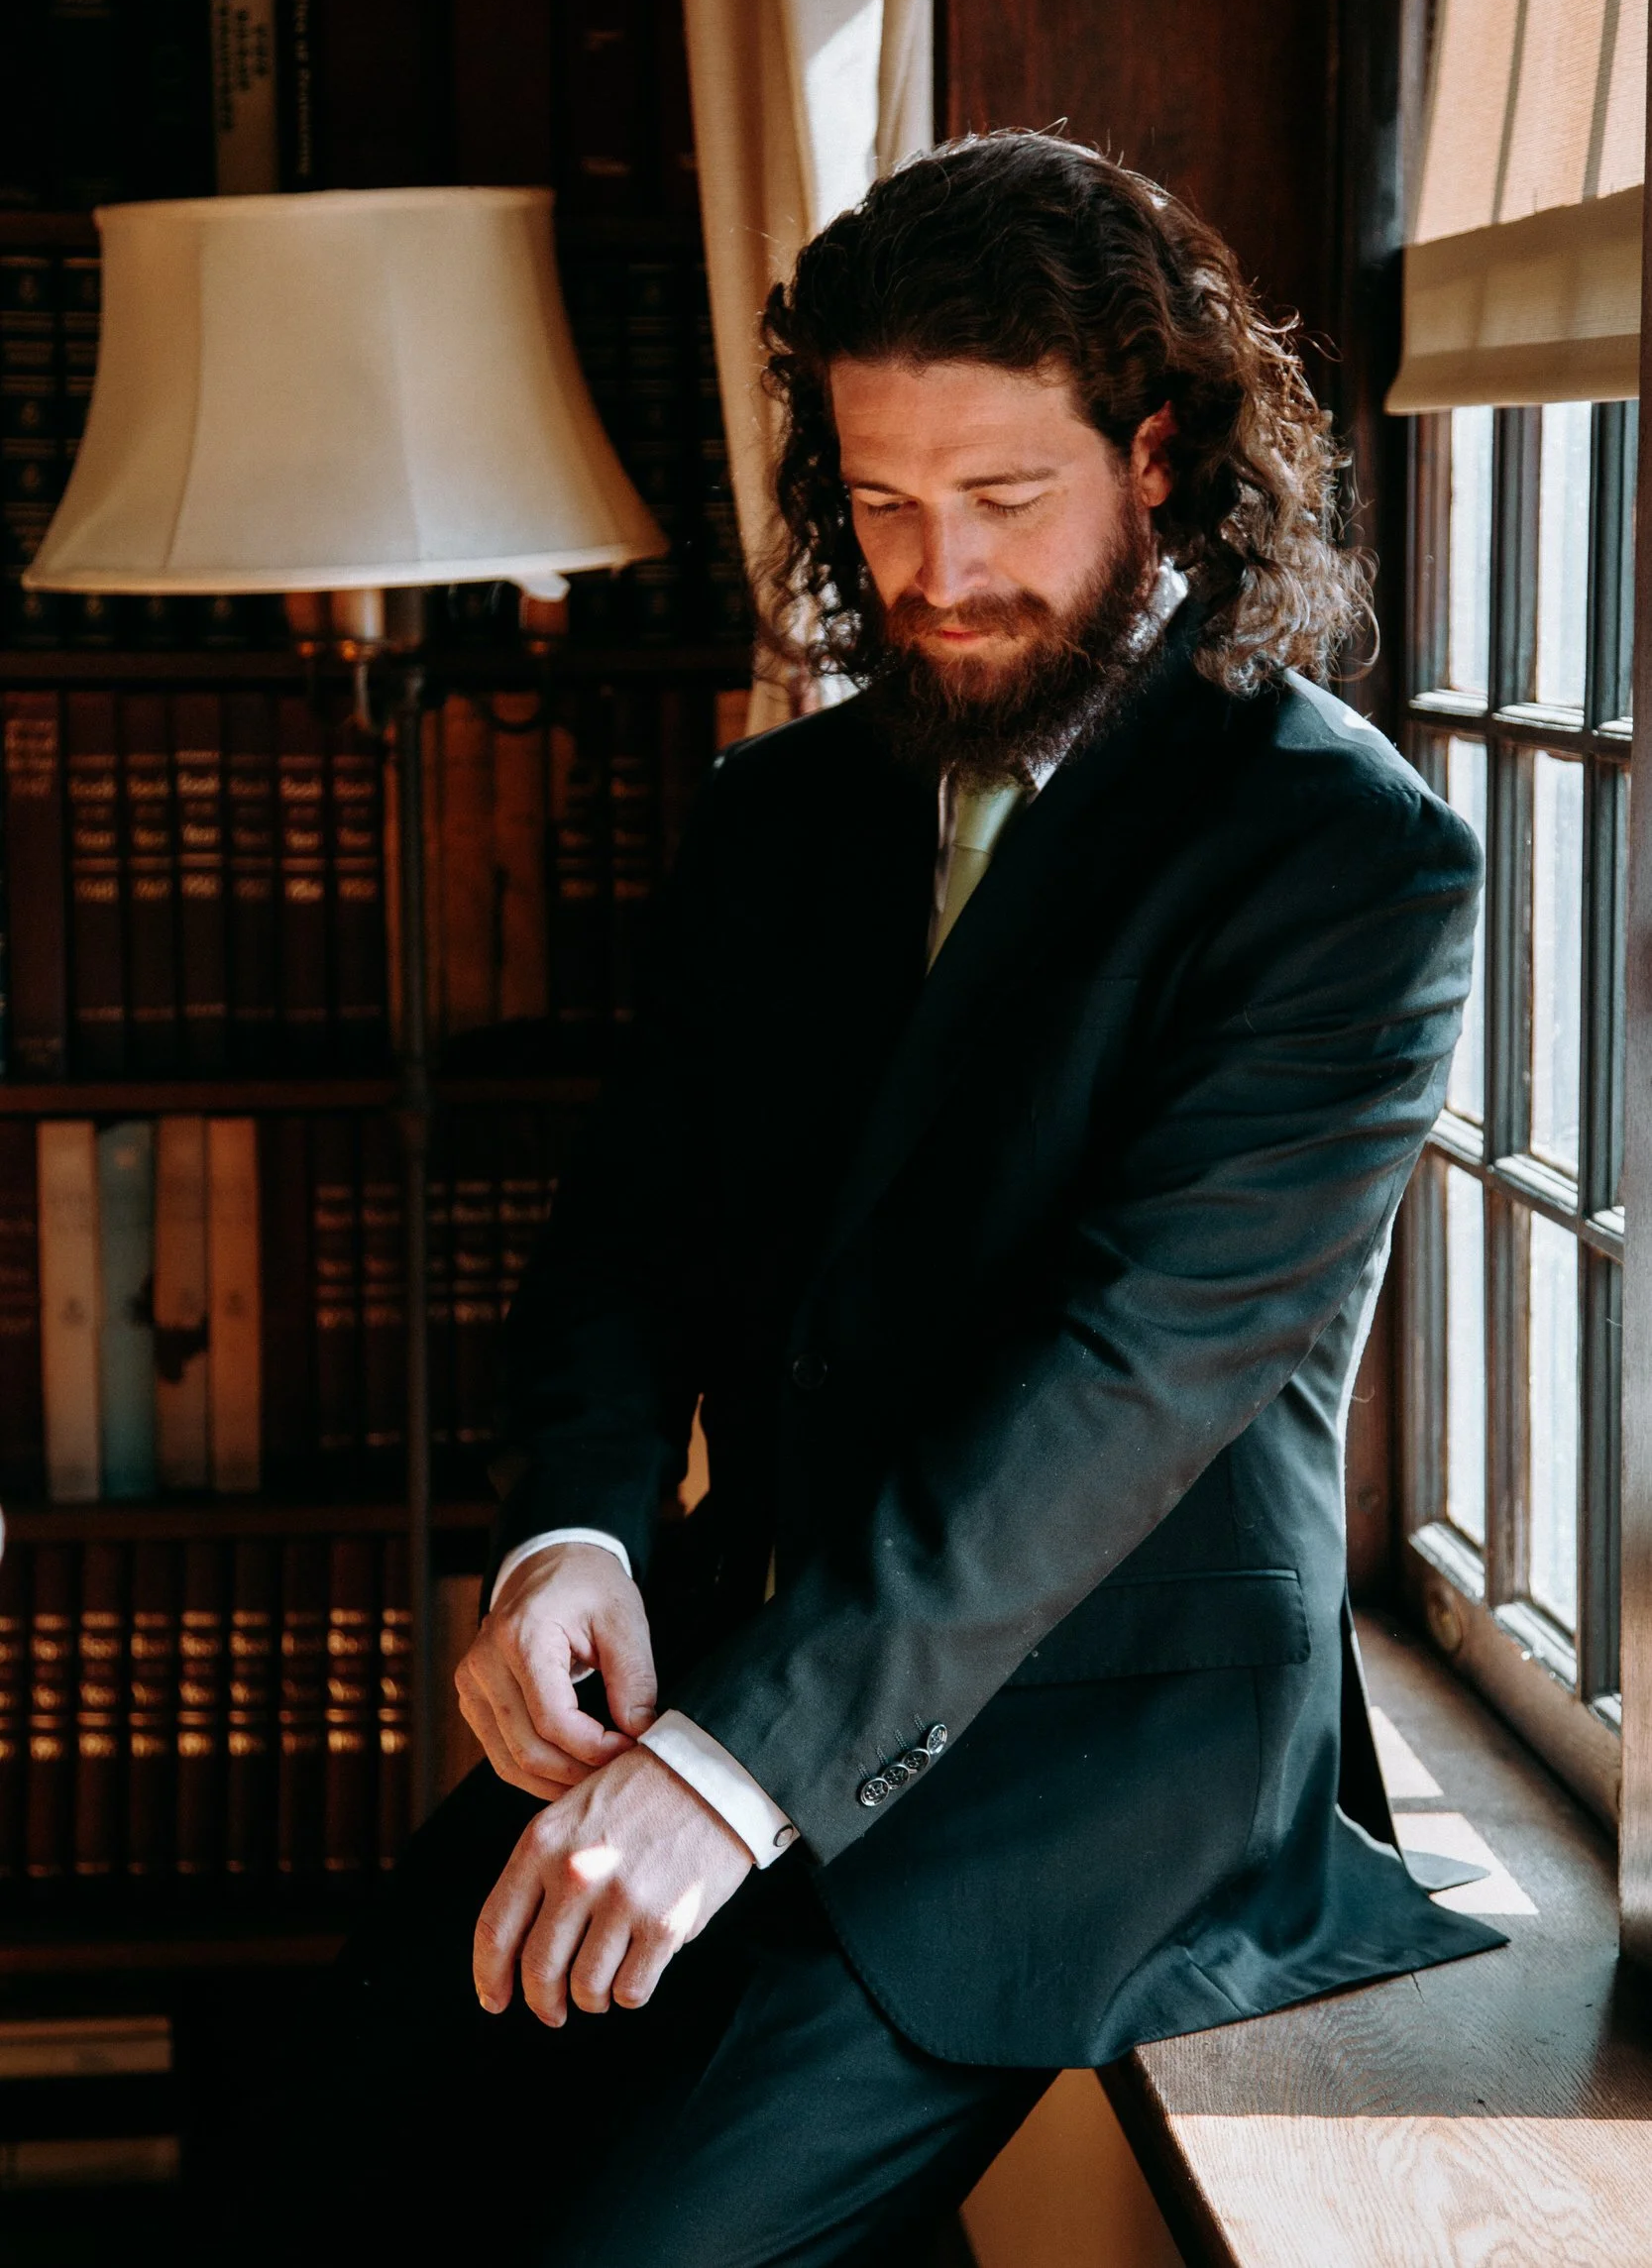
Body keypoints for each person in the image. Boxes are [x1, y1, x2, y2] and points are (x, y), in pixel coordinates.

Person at [321, 132, 1503, 2265]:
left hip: (1099, 1760)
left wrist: (728, 1767)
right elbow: (621, 1235)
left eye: (998, 500)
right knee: (342, 2137)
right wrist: (565, 1531)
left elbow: (1127, 1379)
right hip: (732, 1654)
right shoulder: (781, 812)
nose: (931, 572)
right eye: (879, 503)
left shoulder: (1349, 859)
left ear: (1156, 455)